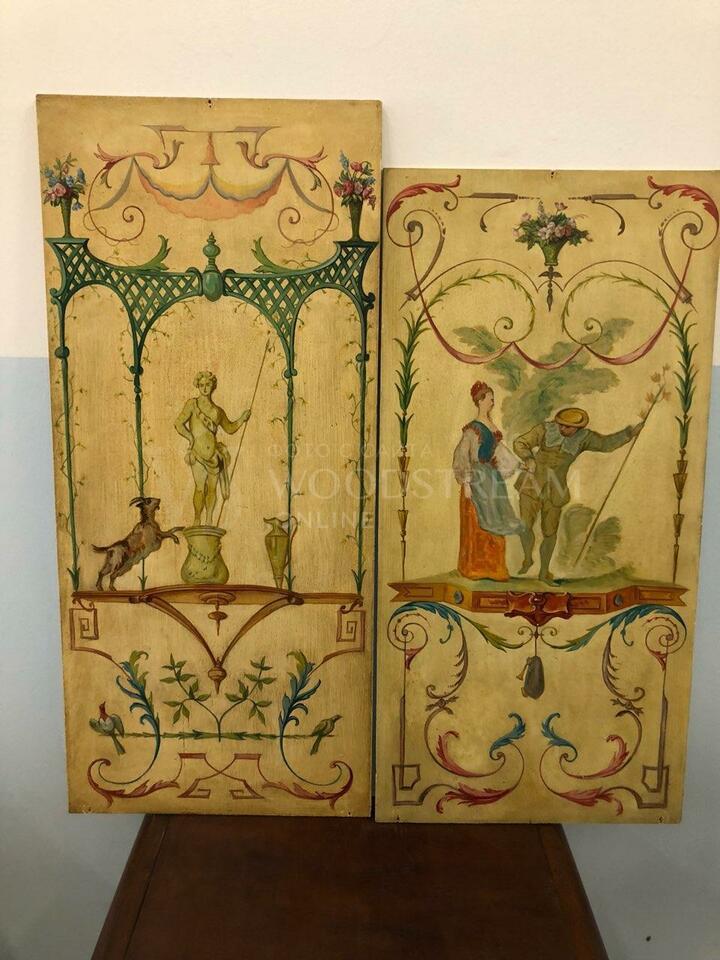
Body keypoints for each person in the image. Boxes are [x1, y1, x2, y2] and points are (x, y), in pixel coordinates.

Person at [513, 407, 642, 582]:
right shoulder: (544, 429)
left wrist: (629, 433)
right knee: (525, 526)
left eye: (567, 427)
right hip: (530, 485)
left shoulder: (584, 438)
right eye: (560, 425)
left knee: (550, 533)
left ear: (577, 428)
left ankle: (544, 572)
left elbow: (605, 444)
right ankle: (528, 558)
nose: (562, 429)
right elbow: (520, 442)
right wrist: (528, 458)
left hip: (556, 491)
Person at [452, 381, 529, 581]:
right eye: (490, 399)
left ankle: (495, 569)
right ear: (480, 401)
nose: (492, 403)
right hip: (476, 480)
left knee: (498, 519)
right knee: (478, 523)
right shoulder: (472, 429)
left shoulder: (491, 427)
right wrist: (466, 483)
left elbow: (500, 451)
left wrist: (519, 464)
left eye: (493, 399)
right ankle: (475, 569)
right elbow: (462, 455)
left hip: (492, 479)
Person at [174, 371, 250, 526]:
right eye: (201, 385)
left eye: (207, 384)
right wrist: (190, 437)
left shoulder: (217, 411)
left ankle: (209, 519)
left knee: (212, 489)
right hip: (197, 453)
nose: (204, 388)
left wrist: (242, 419)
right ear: (198, 386)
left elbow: (229, 428)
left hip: (213, 456)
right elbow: (178, 424)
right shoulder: (192, 404)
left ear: (213, 386)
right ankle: (197, 519)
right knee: (199, 488)